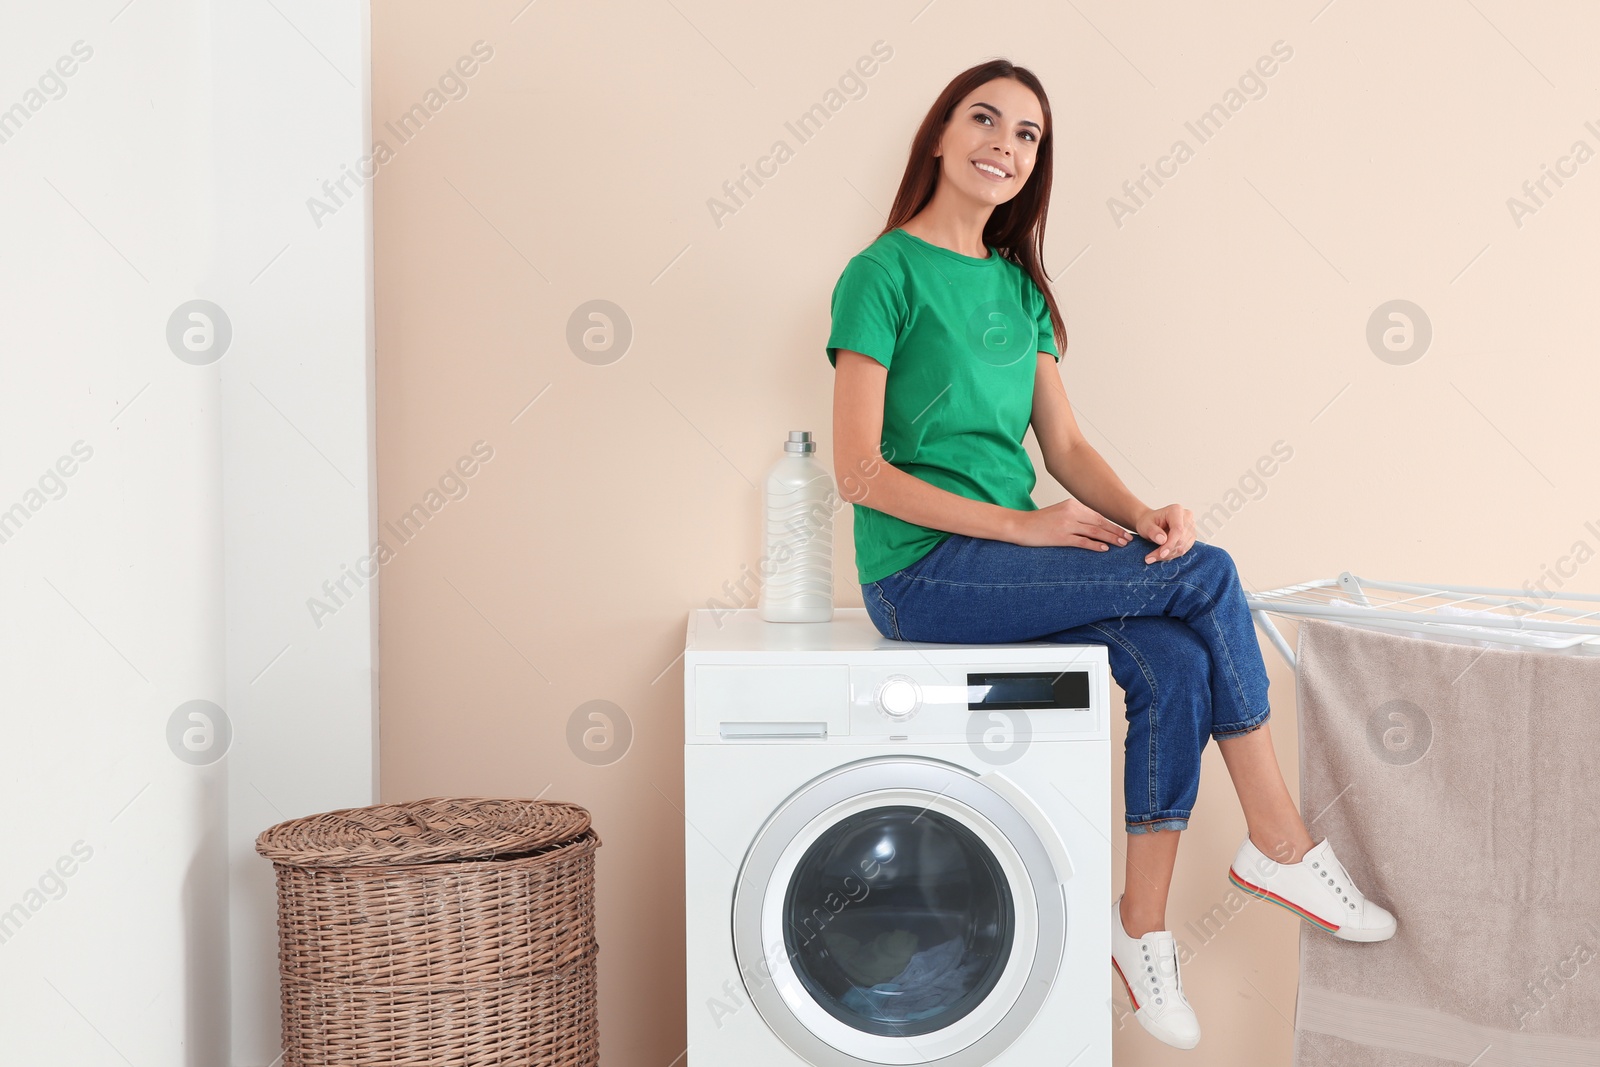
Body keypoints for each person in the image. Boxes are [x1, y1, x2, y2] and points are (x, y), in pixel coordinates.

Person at [825, 58, 1397, 1051]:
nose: (1003, 145)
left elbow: (1067, 450)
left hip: (1008, 563)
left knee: (1172, 658)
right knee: (1208, 574)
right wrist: (1023, 523)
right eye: (984, 120)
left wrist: (1142, 512)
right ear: (936, 136)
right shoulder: (880, 275)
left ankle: (1140, 933)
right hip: (922, 572)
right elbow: (859, 473)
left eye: (1027, 135)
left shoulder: (1017, 286)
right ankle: (1280, 841)